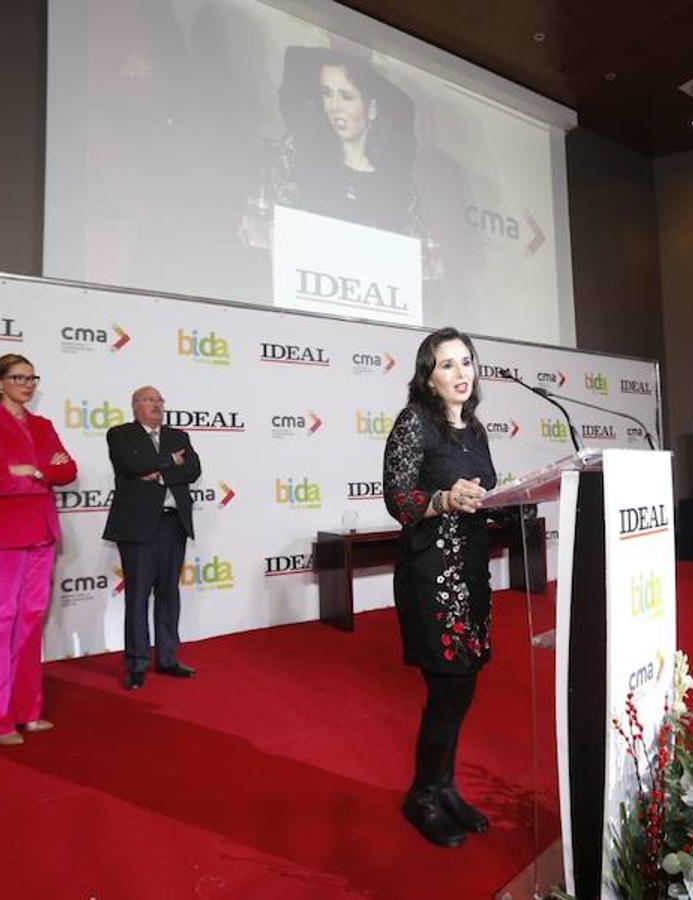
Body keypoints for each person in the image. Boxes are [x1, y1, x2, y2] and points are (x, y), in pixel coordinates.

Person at [382, 327, 497, 848]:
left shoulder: (475, 429)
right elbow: (399, 500)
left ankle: (443, 786)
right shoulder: (415, 423)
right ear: (428, 377)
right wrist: (444, 500)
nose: (460, 372)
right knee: (448, 686)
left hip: (472, 573)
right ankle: (422, 797)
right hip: (432, 576)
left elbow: (488, 488)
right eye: (447, 364)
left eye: (466, 361)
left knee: (463, 686)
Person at [0, 354, 76, 745]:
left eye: (31, 378)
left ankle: (27, 710)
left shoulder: (43, 425)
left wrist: (33, 469)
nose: (26, 384)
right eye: (18, 377)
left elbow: (67, 471)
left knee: (30, 620)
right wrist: (39, 470)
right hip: (2, 537)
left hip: (42, 533)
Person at [247, 46, 423, 240]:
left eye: (346, 97)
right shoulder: (295, 153)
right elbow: (276, 224)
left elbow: (413, 254)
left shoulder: (400, 187)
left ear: (371, 109)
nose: (334, 107)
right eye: (327, 94)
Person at [103, 386, 202, 690]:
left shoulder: (178, 436)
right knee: (138, 595)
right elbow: (132, 466)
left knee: (169, 592)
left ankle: (168, 658)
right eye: (149, 400)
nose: (157, 404)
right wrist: (172, 463)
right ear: (135, 406)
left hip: (173, 524)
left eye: (160, 400)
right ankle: (137, 663)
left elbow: (194, 469)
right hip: (138, 526)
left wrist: (158, 472)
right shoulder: (120, 434)